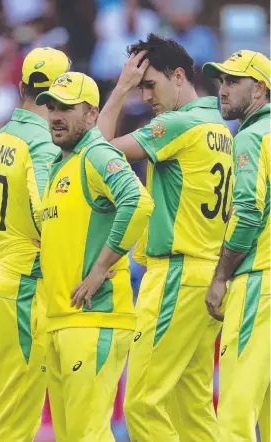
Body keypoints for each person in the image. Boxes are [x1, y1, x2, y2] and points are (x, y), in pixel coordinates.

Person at [96, 33, 234, 442]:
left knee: (141, 400)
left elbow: (96, 151)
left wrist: (119, 88)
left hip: (176, 274)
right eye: (138, 88)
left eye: (150, 84)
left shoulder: (177, 123)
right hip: (208, 275)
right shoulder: (218, 127)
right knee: (190, 405)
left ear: (178, 76)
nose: (146, 97)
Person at [35, 71, 153, 441]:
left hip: (93, 319)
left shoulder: (96, 154)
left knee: (89, 435)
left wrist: (100, 268)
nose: (55, 115)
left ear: (91, 113)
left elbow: (138, 202)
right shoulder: (61, 163)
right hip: (62, 319)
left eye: (66, 108)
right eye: (51, 106)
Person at [0, 47, 69, 441]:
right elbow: (49, 211)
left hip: (3, 273)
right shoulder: (45, 143)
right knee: (17, 413)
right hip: (29, 282)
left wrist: (2, 230)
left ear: (21, 85)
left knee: (12, 402)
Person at [203, 50, 270, 442]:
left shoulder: (250, 137)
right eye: (221, 82)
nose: (222, 91)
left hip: (258, 284)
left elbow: (247, 213)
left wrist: (221, 275)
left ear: (259, 88)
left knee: (233, 420)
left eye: (233, 82)